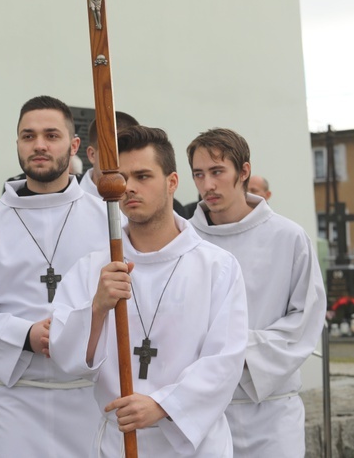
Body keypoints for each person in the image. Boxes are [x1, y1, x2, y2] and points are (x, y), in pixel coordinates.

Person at [50, 125, 248, 457]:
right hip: (119, 441)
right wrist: (97, 308)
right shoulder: (93, 268)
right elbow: (65, 358)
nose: (129, 188)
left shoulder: (217, 266)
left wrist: (162, 404)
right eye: (122, 178)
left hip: (193, 444)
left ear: (172, 182)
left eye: (143, 176)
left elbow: (224, 360)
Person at [0, 95, 112, 457]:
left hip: (90, 396)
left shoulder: (108, 221)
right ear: (18, 144)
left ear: (74, 145)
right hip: (16, 401)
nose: (39, 145)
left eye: (51, 135)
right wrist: (24, 335)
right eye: (28, 136)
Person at [187, 128, 326, 457]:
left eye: (218, 172)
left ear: (244, 171)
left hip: (271, 416)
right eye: (199, 174)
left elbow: (305, 320)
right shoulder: (184, 241)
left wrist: (233, 348)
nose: (207, 185)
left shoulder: (288, 237)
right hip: (199, 413)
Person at [79, 110, 140, 198]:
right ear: (92, 155)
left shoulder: (145, 199)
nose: (123, 159)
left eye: (131, 152)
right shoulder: (67, 196)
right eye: (114, 151)